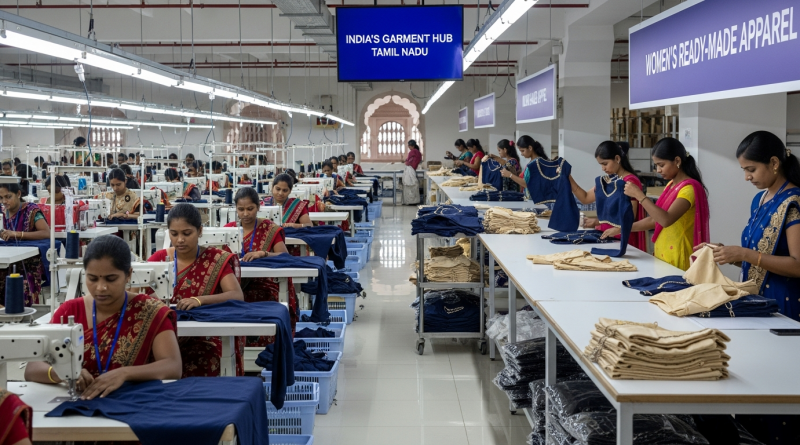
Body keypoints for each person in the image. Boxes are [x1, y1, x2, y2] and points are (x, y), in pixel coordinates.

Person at [25, 236, 182, 399]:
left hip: (134, 405)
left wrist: (124, 374)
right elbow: (32, 368)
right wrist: (65, 373)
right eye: (92, 278)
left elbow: (172, 366)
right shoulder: (69, 312)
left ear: (128, 274)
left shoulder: (151, 312)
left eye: (111, 279)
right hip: (80, 405)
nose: (101, 287)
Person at [148, 204, 245, 377]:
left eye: (187, 233)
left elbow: (236, 295)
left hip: (203, 337)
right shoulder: (159, 259)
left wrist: (199, 300)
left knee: (203, 360)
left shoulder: (214, 259)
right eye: (174, 234)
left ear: (199, 231)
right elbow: (134, 296)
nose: (179, 240)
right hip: (163, 336)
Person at [601, 137, 709, 270]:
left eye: (661, 165)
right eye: (656, 165)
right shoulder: (671, 185)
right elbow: (654, 219)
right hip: (663, 252)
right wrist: (622, 229)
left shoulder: (689, 189)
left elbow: (665, 219)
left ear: (677, 161)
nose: (658, 170)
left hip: (678, 254)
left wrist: (639, 196)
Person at [223, 187, 297, 343]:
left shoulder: (269, 229)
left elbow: (285, 257)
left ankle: (266, 346)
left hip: (264, 283)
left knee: (257, 298)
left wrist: (263, 253)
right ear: (235, 209)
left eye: (250, 209)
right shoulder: (227, 231)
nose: (245, 213)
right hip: (235, 284)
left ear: (258, 207)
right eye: (241, 209)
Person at [570, 141, 647, 251]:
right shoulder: (608, 181)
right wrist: (568, 178)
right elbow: (585, 198)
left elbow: (630, 217)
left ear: (617, 159)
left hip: (622, 238)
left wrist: (597, 222)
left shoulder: (630, 182)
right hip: (607, 236)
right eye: (601, 164)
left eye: (605, 164)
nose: (603, 168)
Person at [0, 182, 50, 306]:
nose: (4, 201)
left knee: (20, 284)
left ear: (18, 194)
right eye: (1, 198)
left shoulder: (32, 210)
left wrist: (17, 234)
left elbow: (46, 233)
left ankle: (18, 316)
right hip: (10, 260)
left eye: (8, 197)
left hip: (30, 263)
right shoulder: (4, 212)